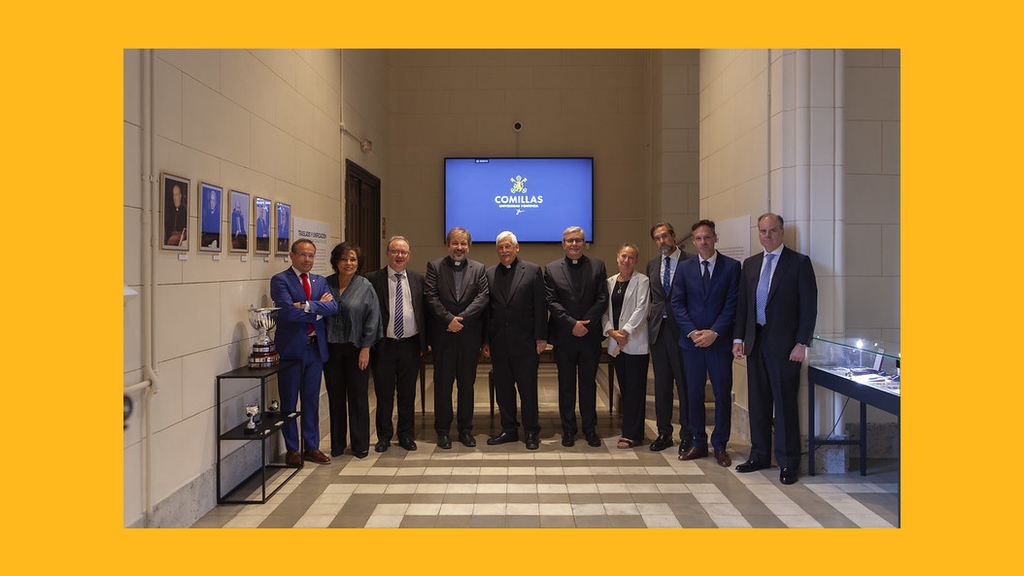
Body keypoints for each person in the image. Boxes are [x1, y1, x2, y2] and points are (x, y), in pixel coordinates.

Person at [732, 213, 817, 485]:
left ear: (781, 233)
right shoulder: (751, 263)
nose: (767, 236)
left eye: (772, 231)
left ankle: (788, 462)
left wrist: (802, 342)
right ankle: (759, 455)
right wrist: (738, 339)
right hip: (755, 342)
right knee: (758, 402)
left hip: (786, 346)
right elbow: (743, 306)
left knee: (785, 405)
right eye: (763, 231)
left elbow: (809, 306)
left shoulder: (798, 263)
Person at [671, 220, 741, 467]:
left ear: (715, 238)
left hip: (719, 344)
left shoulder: (732, 267)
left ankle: (720, 445)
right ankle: (698, 442)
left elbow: (732, 304)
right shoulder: (684, 268)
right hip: (691, 344)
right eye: (698, 238)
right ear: (693, 240)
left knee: (722, 394)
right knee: (693, 394)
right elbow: (677, 303)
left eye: (707, 237)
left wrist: (714, 332)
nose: (703, 242)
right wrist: (692, 332)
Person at [270, 239, 338, 465]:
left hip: (315, 349)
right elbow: (287, 313)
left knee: (312, 401)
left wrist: (306, 305)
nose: (307, 259)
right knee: (289, 401)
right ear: (292, 256)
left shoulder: (319, 281)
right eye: (302, 255)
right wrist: (317, 307)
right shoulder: (280, 280)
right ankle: (292, 449)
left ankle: (311, 446)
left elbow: (333, 307)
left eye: (311, 255)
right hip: (291, 350)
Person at [424, 227, 489, 449]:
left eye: (463, 244)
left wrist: (460, 319)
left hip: (468, 336)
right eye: (455, 243)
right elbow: (430, 296)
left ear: (468, 246)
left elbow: (482, 298)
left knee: (466, 385)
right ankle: (442, 431)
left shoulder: (479, 269)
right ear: (447, 245)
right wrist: (448, 319)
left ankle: (465, 430)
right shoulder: (435, 266)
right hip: (444, 336)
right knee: (442, 385)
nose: (459, 248)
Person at [482, 231, 547, 450]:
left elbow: (540, 307)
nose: (504, 251)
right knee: (504, 390)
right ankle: (509, 429)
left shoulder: (532, 270)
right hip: (499, 344)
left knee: (528, 390)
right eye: (500, 247)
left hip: (526, 343)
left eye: (508, 246)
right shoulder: (489, 274)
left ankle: (531, 431)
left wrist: (541, 338)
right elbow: (487, 312)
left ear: (516, 247)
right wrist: (486, 341)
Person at [544, 226, 608, 448]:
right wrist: (572, 324)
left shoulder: (598, 266)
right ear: (563, 244)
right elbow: (551, 301)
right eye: (570, 241)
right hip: (565, 336)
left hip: (589, 336)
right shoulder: (551, 269)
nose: (574, 244)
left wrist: (584, 325)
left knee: (589, 384)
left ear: (584, 243)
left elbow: (602, 299)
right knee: (566, 385)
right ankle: (568, 430)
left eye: (578, 240)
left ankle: (590, 429)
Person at [366, 236, 427, 453]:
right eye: (395, 251)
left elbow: (423, 312)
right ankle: (383, 436)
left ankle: (406, 435)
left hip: (410, 345)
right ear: (387, 253)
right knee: (384, 394)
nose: (399, 256)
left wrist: (424, 343)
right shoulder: (372, 279)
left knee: (407, 393)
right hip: (384, 345)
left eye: (403, 252)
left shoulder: (418, 279)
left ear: (409, 256)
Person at [323, 242, 382, 459]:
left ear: (358, 263)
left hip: (357, 349)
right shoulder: (325, 284)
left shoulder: (365, 286)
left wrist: (366, 348)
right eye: (344, 259)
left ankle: (360, 445)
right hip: (331, 349)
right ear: (336, 262)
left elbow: (373, 319)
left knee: (358, 397)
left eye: (353, 259)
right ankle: (337, 445)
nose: (349, 263)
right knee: (335, 396)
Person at [645, 222, 692, 454]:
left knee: (684, 387)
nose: (661, 241)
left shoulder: (690, 261)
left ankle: (687, 435)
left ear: (673, 236)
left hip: (683, 332)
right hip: (659, 332)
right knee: (662, 386)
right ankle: (664, 433)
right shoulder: (652, 264)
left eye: (664, 236)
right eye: (657, 238)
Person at [602, 244, 650, 449]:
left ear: (636, 261)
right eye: (623, 256)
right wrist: (611, 331)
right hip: (616, 343)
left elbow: (642, 308)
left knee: (635, 389)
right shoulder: (610, 282)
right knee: (625, 388)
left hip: (635, 342)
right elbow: (604, 311)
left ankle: (633, 434)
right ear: (617, 258)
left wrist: (625, 332)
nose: (627, 260)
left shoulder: (643, 281)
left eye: (631, 257)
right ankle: (628, 429)